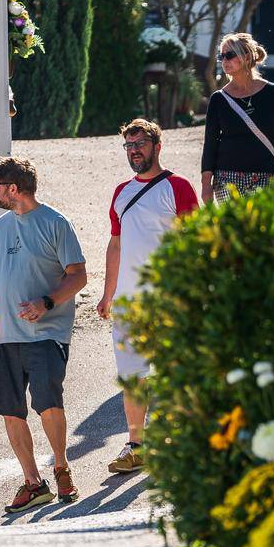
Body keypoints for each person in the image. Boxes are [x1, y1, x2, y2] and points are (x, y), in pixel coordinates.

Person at [0, 154, 88, 511]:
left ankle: (61, 467)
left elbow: (78, 275)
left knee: (48, 402)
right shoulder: (0, 227)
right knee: (11, 411)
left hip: (46, 333)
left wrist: (46, 302)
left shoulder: (55, 223)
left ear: (13, 188)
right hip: (5, 335)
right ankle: (33, 482)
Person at [96, 119, 199, 473]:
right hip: (128, 302)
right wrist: (107, 294)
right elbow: (116, 243)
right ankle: (136, 446)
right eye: (128, 145)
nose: (133, 150)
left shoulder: (178, 187)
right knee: (132, 375)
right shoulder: (121, 191)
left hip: (167, 298)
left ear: (157, 145)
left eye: (139, 143)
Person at [200, 31, 274, 204]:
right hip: (227, 177)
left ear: (246, 57)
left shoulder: (272, 92)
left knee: (264, 228)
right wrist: (205, 184)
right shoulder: (218, 99)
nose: (224, 61)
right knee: (233, 229)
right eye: (221, 56)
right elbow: (210, 142)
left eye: (230, 55)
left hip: (266, 175)